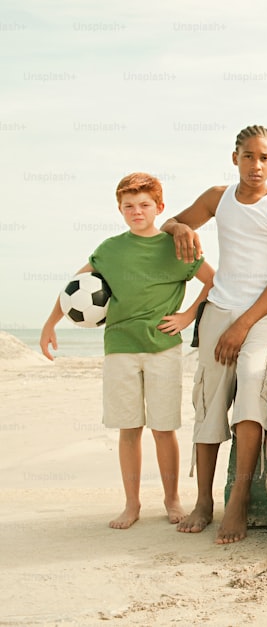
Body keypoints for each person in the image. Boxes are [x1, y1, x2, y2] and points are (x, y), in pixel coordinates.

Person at [39, 172, 214, 530]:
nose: (137, 211)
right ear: (120, 210)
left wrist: (187, 316)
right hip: (119, 348)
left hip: (164, 348)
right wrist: (49, 324)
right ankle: (132, 504)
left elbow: (214, 281)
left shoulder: (178, 247)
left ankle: (172, 499)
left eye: (144, 205)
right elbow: (74, 287)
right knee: (129, 429)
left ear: (159, 208)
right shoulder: (110, 249)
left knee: (164, 429)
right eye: (129, 206)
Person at [163, 125, 267, 544]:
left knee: (252, 388)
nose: (255, 165)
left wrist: (244, 325)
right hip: (219, 309)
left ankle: (238, 499)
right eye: (248, 156)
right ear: (235, 157)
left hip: (262, 315)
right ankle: (204, 501)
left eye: (264, 158)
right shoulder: (216, 198)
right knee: (209, 403)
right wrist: (180, 230)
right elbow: (172, 220)